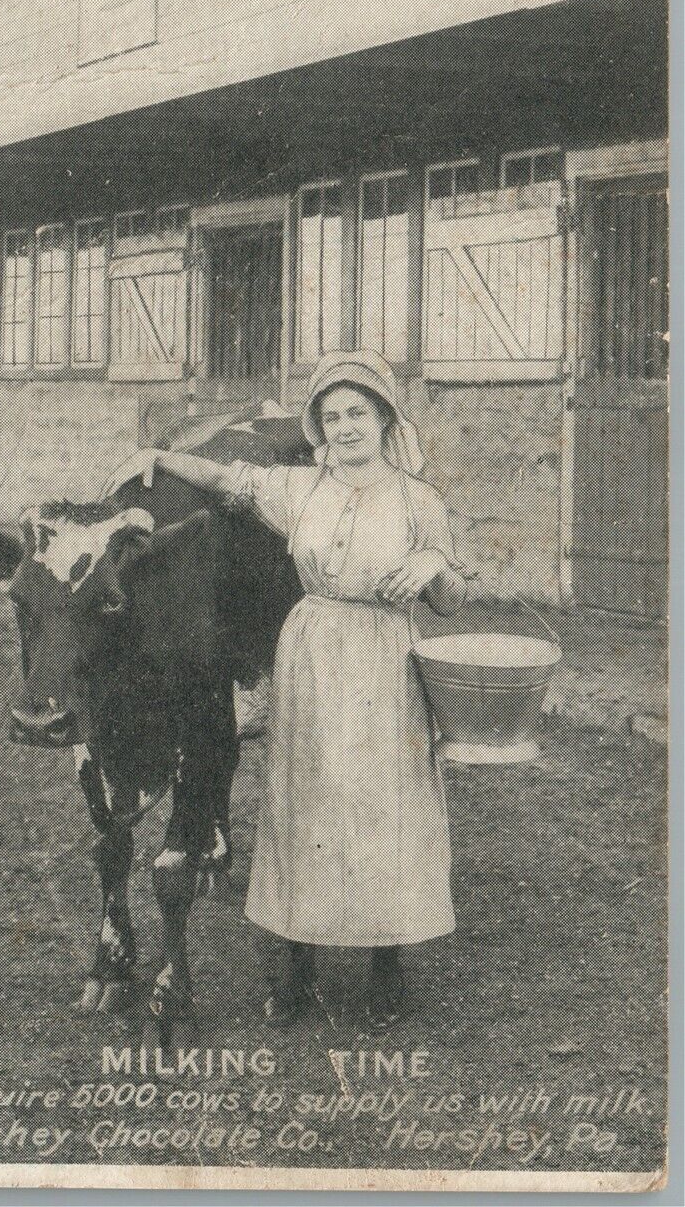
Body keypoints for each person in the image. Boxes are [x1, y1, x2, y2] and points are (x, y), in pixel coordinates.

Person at [111, 351, 466, 1029]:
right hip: (308, 653)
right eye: (331, 416)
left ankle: (385, 962)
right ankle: (294, 967)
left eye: (357, 412)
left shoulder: (419, 499)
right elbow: (228, 479)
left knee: (380, 805)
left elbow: (452, 598)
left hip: (385, 657)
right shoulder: (303, 490)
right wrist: (154, 457)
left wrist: (432, 563)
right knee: (304, 802)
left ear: (384, 416)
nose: (344, 427)